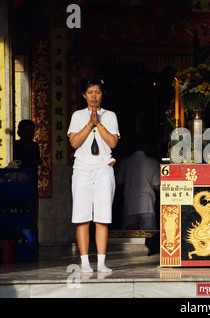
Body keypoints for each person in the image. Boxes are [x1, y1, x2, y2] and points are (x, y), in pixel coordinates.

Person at [67, 78, 120, 273]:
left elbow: (113, 143)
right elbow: (74, 143)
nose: (94, 96)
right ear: (84, 95)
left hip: (103, 169)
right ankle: (85, 262)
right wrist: (90, 124)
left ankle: (101, 262)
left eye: (97, 92)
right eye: (90, 93)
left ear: (102, 95)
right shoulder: (77, 115)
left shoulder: (111, 115)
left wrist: (99, 124)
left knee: (102, 217)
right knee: (82, 217)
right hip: (82, 170)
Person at [117, 136, 160, 231]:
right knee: (149, 234)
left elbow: (119, 183)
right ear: (146, 146)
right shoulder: (153, 162)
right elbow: (157, 186)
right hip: (147, 204)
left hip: (130, 203)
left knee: (129, 235)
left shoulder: (125, 162)